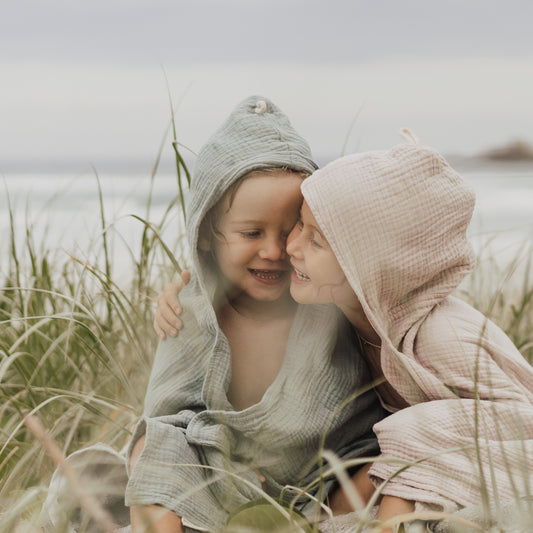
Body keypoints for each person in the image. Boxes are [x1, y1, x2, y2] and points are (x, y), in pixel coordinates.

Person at [157, 141, 533, 531]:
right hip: (407, 460)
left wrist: (416, 434)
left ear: (367, 268)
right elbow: (241, 286)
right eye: (298, 224)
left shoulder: (442, 337)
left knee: (403, 438)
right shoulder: (337, 307)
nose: (291, 247)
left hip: (503, 457)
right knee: (345, 485)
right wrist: (186, 291)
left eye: (315, 240)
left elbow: (522, 421)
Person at [125, 96, 386, 533]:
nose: (273, 251)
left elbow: (373, 398)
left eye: (293, 231)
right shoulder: (192, 309)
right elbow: (167, 411)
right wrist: (226, 460)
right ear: (206, 235)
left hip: (325, 483)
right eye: (251, 233)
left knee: (392, 467)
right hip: (221, 482)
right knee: (152, 445)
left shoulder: (329, 297)